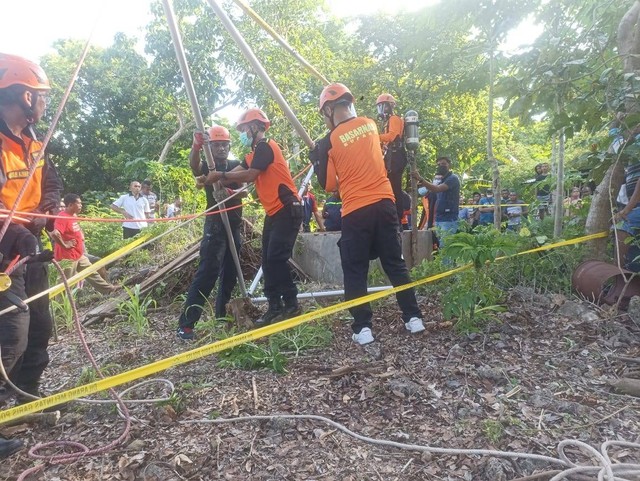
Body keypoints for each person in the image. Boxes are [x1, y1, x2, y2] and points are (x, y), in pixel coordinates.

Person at [310, 82, 425, 345]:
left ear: (328, 109)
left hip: (356, 209)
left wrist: (319, 159)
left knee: (355, 269)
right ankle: (413, 317)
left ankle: (362, 328)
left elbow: (329, 186)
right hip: (385, 202)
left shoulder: (328, 141)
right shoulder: (371, 124)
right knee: (395, 263)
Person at [0, 54, 62, 418]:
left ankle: (27, 395)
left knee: (40, 323)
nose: (43, 103)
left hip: (30, 249)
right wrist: (21, 235)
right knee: (11, 333)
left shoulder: (34, 141)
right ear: (25, 97)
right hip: (6, 255)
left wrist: (50, 207)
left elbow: (50, 181)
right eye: (40, 96)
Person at [199, 109, 302, 327]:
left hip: (287, 209)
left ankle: (291, 303)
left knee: (276, 258)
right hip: (274, 212)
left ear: (255, 127)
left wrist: (222, 176)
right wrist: (209, 179)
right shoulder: (253, 153)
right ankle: (275, 306)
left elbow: (248, 176)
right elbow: (237, 172)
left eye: (245, 129)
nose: (243, 133)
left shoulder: (266, 147)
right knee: (267, 260)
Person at [177, 126, 244, 340]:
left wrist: (231, 190)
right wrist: (196, 146)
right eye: (217, 145)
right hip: (215, 225)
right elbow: (194, 166)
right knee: (207, 273)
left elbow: (246, 184)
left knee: (231, 274)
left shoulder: (235, 165)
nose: (221, 148)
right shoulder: (208, 165)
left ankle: (221, 317)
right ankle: (187, 325)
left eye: (224, 144)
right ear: (211, 147)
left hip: (234, 224)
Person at [50, 194, 117, 294]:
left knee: (91, 272)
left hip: (78, 254)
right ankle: (61, 307)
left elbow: (74, 229)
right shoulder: (62, 217)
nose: (81, 205)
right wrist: (65, 244)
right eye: (79, 203)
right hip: (67, 256)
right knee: (65, 282)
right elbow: (55, 233)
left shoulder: (73, 215)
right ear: (71, 205)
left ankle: (108, 289)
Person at [376, 93, 408, 228]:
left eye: (382, 106)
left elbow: (392, 136)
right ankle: (392, 214)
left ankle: (399, 216)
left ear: (388, 106)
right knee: (390, 186)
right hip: (392, 156)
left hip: (396, 156)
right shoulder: (387, 122)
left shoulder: (394, 119)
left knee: (395, 187)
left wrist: (374, 137)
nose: (380, 110)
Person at [413, 157, 461, 238]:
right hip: (438, 217)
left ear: (449, 165)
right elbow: (426, 191)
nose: (441, 166)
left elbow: (437, 189)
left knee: (445, 244)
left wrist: (421, 179)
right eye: (438, 165)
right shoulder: (439, 180)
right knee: (438, 244)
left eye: (443, 164)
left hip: (448, 218)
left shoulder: (453, 178)